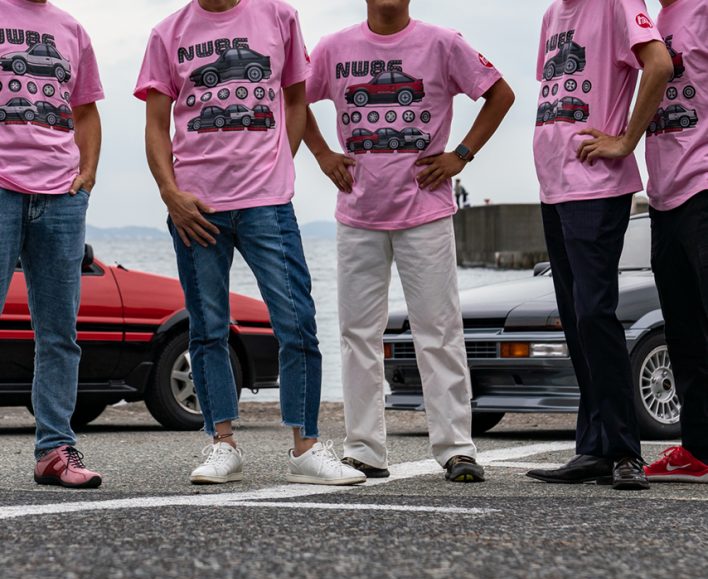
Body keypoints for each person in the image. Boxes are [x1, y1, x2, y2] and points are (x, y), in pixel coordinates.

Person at [134, 0, 366, 487]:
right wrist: (170, 194)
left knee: (297, 321)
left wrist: (279, 163)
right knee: (207, 328)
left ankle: (305, 447)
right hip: (197, 207)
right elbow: (157, 122)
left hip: (268, 202)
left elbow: (296, 98)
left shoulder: (279, 16)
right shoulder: (167, 32)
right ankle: (222, 444)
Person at [304, 0, 515, 482]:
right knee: (358, 333)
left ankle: (456, 447)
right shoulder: (334, 47)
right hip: (358, 213)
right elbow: (291, 93)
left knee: (437, 330)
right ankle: (364, 449)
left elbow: (500, 93)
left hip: (425, 212)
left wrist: (461, 155)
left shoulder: (442, 42)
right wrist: (321, 153)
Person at [526, 0, 673, 490]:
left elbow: (659, 63)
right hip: (555, 187)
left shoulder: (615, 2)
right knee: (574, 318)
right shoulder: (552, 16)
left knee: (594, 312)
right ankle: (593, 448)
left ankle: (626, 452)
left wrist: (625, 139)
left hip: (596, 185)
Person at [0, 0, 104, 488]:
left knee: (59, 333)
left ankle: (55, 451)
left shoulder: (71, 29)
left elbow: (85, 111)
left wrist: (86, 175)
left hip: (60, 196)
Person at [643, 0, 708, 483]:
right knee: (685, 333)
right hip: (664, 197)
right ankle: (698, 449)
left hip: (705, 186)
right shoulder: (652, 23)